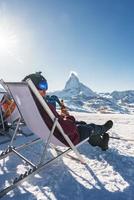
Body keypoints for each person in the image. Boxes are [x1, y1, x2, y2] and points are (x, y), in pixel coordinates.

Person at [23, 72, 113, 151]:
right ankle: (103, 129)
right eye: (42, 86)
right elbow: (68, 129)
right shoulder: (44, 107)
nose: (45, 91)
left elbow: (53, 122)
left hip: (50, 134)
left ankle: (101, 143)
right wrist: (68, 117)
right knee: (89, 128)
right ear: (32, 88)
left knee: (82, 123)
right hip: (65, 138)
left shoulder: (27, 104)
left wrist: (62, 118)